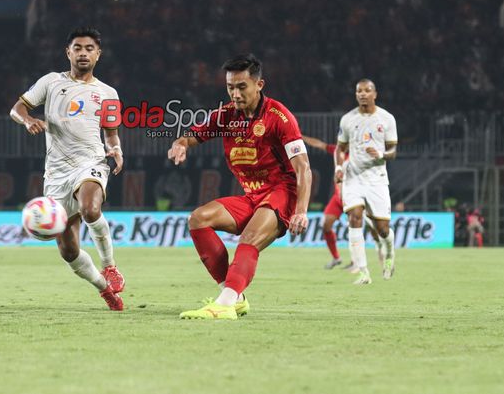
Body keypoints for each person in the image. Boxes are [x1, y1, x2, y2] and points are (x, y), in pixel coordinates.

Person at [168, 54, 311, 320]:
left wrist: (300, 211)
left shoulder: (279, 117)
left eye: (241, 86)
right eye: (230, 87)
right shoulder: (225, 116)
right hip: (252, 196)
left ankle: (224, 304)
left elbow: (303, 167)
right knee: (199, 219)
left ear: (259, 84)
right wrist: (180, 144)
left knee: (249, 239)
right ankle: (234, 297)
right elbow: (193, 137)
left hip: (282, 193)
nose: (235, 93)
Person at [9, 27, 125, 311]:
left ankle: (110, 266)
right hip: (57, 173)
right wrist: (28, 121)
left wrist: (116, 150)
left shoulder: (108, 93)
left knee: (90, 209)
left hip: (91, 162)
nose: (83, 53)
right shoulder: (50, 82)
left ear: (98, 54)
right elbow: (17, 109)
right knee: (68, 250)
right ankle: (103, 287)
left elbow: (111, 133)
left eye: (89, 48)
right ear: (68, 52)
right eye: (78, 48)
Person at [334, 79, 398, 284]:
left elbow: (393, 151)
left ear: (375, 94)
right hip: (353, 177)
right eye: (359, 91)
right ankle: (363, 272)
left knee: (382, 229)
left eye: (367, 90)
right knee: (354, 217)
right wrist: (338, 168)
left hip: (377, 179)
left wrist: (380, 153)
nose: (362, 94)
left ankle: (389, 254)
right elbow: (339, 148)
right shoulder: (347, 119)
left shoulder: (387, 119)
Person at [302, 135, 346, 269]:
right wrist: (300, 137)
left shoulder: (359, 154)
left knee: (358, 227)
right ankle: (336, 258)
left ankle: (360, 262)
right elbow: (320, 144)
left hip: (354, 196)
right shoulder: (336, 151)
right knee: (326, 225)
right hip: (338, 197)